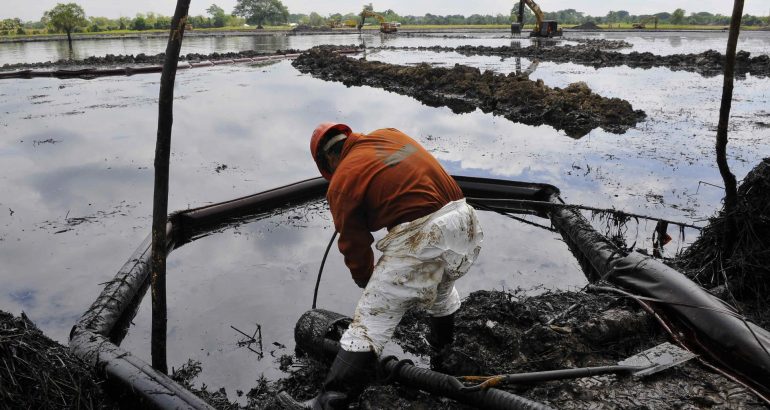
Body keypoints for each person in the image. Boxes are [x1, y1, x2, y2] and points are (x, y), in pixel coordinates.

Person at [279, 123, 483, 410]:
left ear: (328, 161)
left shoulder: (343, 180)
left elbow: (353, 243)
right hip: (465, 221)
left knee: (371, 318)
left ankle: (328, 402)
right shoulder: (390, 135)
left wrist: (367, 281)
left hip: (425, 234)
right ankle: (443, 355)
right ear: (346, 137)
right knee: (442, 289)